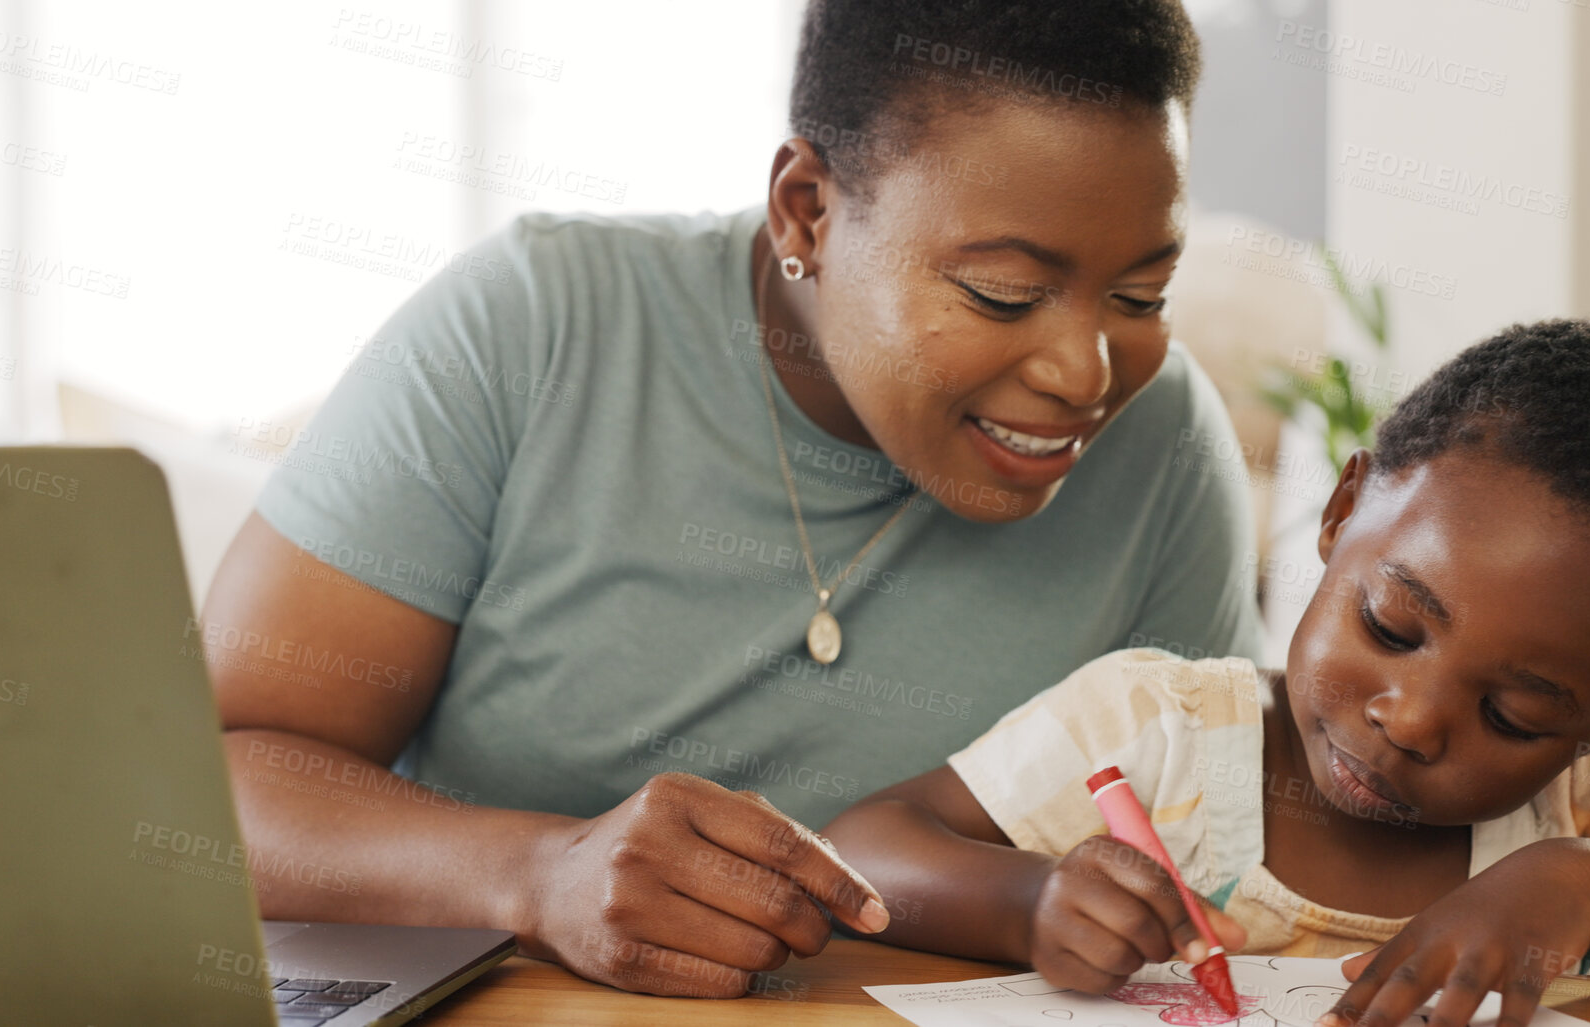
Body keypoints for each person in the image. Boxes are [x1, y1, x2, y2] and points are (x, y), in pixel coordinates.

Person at [202, 0, 1263, 999]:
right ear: (807, 211)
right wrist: (535, 871)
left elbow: (1238, 852)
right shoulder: (534, 331)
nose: (1084, 372)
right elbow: (210, 787)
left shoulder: (1164, 449)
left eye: (1140, 296)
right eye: (1004, 293)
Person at [821, 320, 1590, 1026]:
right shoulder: (1151, 724)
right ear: (1340, 514)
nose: (1411, 718)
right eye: (1392, 624)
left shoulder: (1589, 810)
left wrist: (1589, 883)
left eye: (1513, 713)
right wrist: (1030, 898)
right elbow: (863, 848)